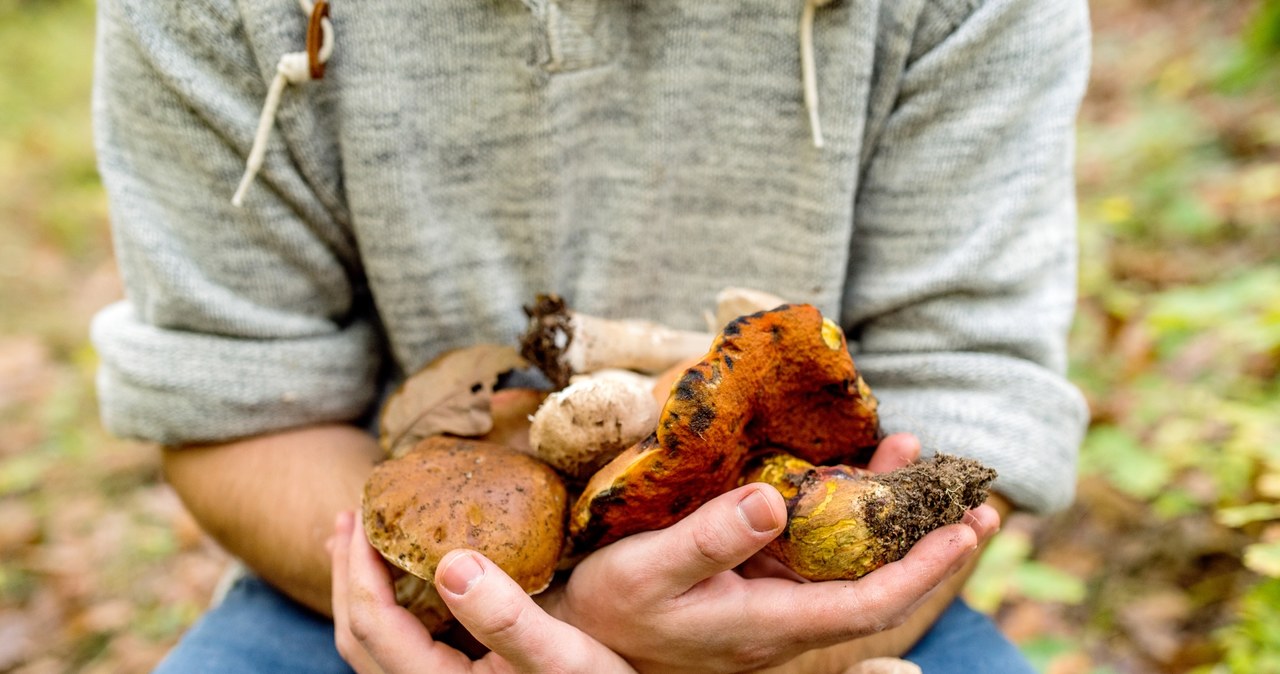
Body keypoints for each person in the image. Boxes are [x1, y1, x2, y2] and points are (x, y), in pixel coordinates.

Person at [90, 0, 1090, 671]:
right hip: (380, 608)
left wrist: (659, 646)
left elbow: (966, 389)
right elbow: (240, 402)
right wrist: (514, 622)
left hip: (796, 606)